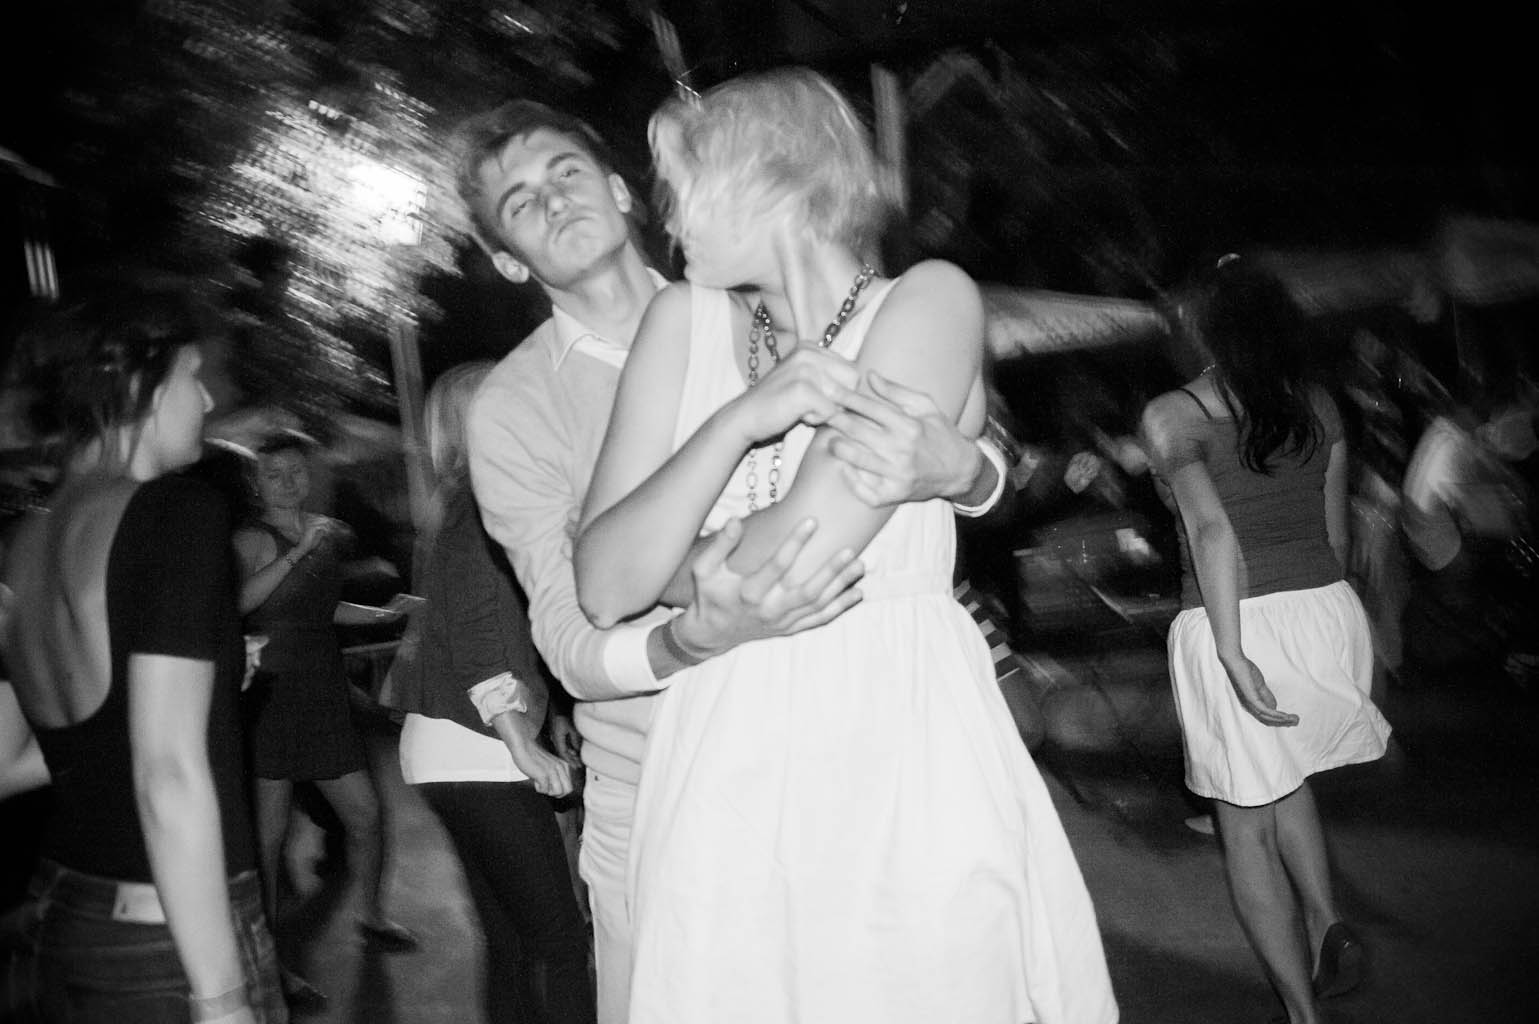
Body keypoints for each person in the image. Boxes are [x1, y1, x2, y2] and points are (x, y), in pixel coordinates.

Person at [572, 67, 1116, 1024]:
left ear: (773, 178)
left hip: (895, 732)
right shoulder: (680, 321)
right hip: (723, 755)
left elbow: (806, 539)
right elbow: (605, 583)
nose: (668, 219)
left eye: (685, 187)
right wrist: (738, 421)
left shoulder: (928, 300)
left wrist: (683, 558)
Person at [456, 97, 1014, 1023]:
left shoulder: (757, 308)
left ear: (623, 191)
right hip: (659, 778)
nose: (551, 201)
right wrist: (693, 636)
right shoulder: (514, 407)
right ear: (508, 259)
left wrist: (971, 474)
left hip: (872, 751)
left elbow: (921, 463)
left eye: (564, 171)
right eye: (518, 203)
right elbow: (577, 619)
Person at [0, 285, 285, 1023]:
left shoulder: (23, 542)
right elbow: (168, 774)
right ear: (139, 384)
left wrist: (194, 698)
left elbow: (9, 762)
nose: (206, 399)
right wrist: (222, 1000)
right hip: (164, 941)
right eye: (191, 376)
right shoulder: (174, 514)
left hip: (62, 917)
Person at [1140, 257, 1392, 1024]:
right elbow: (1335, 535)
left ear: (1204, 332)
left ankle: (1300, 1014)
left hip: (1236, 618)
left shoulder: (1173, 413)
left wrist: (1231, 650)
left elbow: (1212, 532)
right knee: (1282, 778)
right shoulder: (1316, 404)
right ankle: (1326, 921)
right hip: (1323, 609)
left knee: (1242, 824)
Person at [383, 360, 594, 1024]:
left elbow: (504, 626)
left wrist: (550, 713)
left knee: (510, 943)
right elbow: (479, 633)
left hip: (445, 746)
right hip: (481, 747)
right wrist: (520, 743)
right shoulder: (482, 507)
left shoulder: (458, 505)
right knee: (560, 945)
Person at [233, 431, 416, 1007]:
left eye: (296, 471)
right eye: (274, 474)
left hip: (321, 691)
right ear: (257, 483)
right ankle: (271, 966)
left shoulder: (322, 532)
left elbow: (323, 606)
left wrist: (383, 616)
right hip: (272, 696)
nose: (288, 482)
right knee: (269, 842)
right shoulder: (251, 538)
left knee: (366, 814)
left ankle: (371, 915)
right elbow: (238, 604)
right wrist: (296, 551)